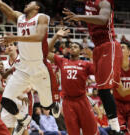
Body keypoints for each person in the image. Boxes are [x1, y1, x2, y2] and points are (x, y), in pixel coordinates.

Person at [0, 0, 60, 134]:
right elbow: (6, 9)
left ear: (37, 7)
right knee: (5, 100)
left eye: (30, 3)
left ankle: (54, 103)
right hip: (23, 67)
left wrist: (15, 38)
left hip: (39, 66)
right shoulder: (20, 17)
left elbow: (40, 37)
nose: (26, 4)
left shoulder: (42, 17)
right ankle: (23, 119)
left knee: (46, 105)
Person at [63, 0, 123, 134]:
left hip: (109, 44)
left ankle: (116, 129)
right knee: (102, 91)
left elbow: (102, 19)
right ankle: (115, 128)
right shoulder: (87, 3)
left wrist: (79, 17)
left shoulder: (104, 2)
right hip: (98, 48)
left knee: (106, 89)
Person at [47, 29, 99, 135]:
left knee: (91, 131)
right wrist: (56, 36)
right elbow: (46, 52)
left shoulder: (86, 64)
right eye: (71, 47)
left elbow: (100, 72)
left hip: (82, 100)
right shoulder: (62, 61)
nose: (72, 48)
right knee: (72, 132)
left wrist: (93, 57)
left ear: (80, 51)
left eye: (75, 47)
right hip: (68, 102)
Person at [1, 42, 31, 135]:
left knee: (23, 128)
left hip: (22, 96)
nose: (8, 47)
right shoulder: (3, 64)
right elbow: (2, 82)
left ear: (16, 46)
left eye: (10, 45)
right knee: (7, 127)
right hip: (9, 97)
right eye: (6, 46)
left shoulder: (24, 61)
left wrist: (30, 86)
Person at [113, 43, 130, 135]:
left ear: (129, 52)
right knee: (119, 132)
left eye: (122, 48)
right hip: (118, 105)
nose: (119, 50)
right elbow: (122, 92)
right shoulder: (114, 68)